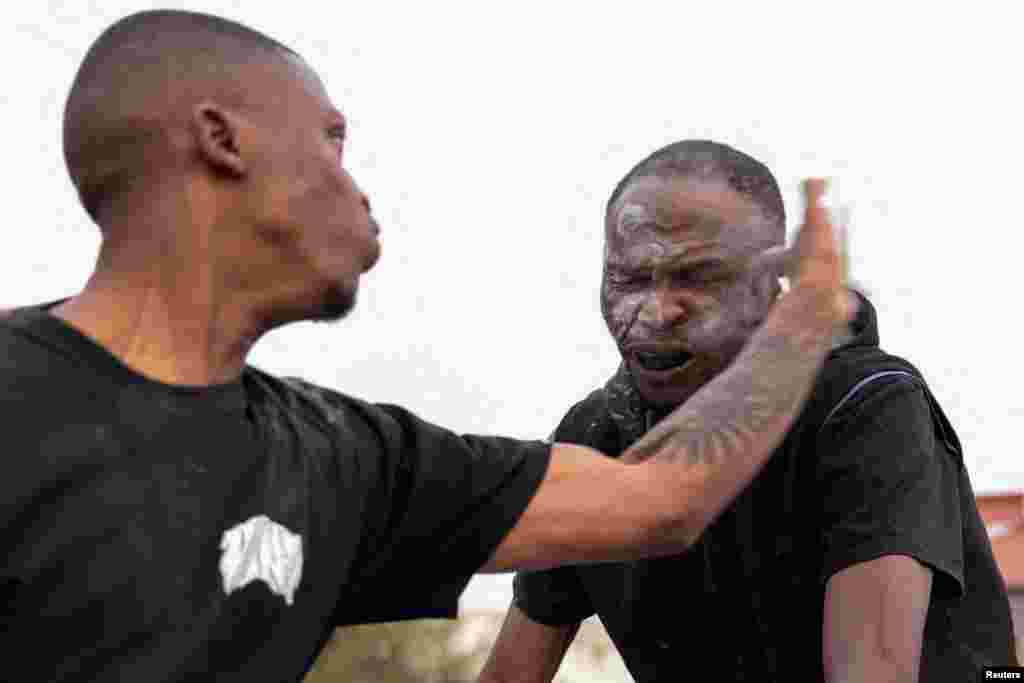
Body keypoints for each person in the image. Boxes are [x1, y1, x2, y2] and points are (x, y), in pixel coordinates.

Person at [0, 11, 853, 682]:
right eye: (331, 140)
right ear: (223, 141)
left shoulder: (343, 463)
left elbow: (663, 496)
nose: (360, 192)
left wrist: (806, 315)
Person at [477, 140, 1016, 683]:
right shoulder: (593, 436)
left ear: (773, 281)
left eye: (700, 278)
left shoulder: (863, 405)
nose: (657, 312)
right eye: (629, 279)